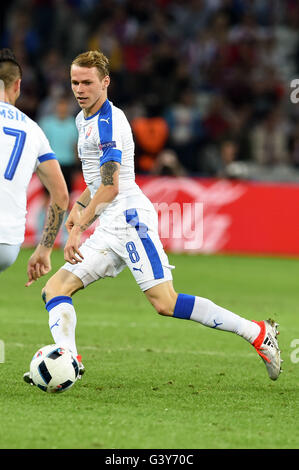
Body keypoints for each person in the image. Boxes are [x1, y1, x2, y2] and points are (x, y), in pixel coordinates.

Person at [23, 50, 282, 386]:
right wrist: (78, 208)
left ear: (105, 82)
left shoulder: (108, 123)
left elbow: (113, 187)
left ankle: (258, 333)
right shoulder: (81, 119)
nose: (80, 88)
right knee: (55, 289)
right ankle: (68, 360)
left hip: (130, 219)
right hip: (108, 220)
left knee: (165, 302)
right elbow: (98, 182)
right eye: (75, 82)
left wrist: (79, 227)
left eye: (87, 82)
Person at [0, 48, 69, 283]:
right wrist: (44, 249)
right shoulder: (34, 130)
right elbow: (60, 194)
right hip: (7, 245)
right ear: (18, 85)